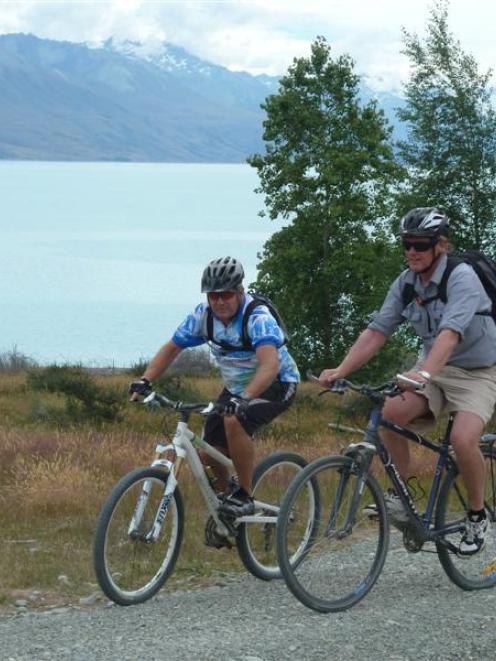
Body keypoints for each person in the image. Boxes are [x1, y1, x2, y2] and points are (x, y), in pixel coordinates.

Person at [319, 207, 496, 556]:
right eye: (407, 244)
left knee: (462, 439)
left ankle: (477, 514)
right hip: (434, 369)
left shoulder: (461, 278)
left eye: (421, 244)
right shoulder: (405, 283)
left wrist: (422, 374)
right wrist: (341, 370)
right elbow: (376, 331)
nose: (412, 251)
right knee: (388, 413)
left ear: (440, 245)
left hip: (480, 371)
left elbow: (449, 335)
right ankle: (406, 496)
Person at [130, 256, 300, 519]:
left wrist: (244, 397)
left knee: (235, 420)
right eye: (213, 296)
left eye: (227, 294)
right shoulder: (204, 316)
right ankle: (227, 510)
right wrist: (145, 380)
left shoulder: (257, 319)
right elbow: (172, 347)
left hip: (277, 384)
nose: (220, 301)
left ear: (240, 292)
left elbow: (269, 366)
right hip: (235, 389)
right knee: (208, 453)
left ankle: (244, 494)